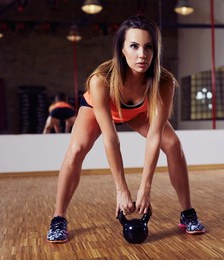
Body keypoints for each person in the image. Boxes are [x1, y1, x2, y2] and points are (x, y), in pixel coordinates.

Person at [47, 15, 205, 243]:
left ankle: (187, 213)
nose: (142, 54)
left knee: (173, 144)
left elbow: (154, 137)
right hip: (99, 109)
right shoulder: (100, 80)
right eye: (134, 46)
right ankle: (58, 218)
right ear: (122, 49)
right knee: (77, 148)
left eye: (148, 47)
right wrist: (121, 190)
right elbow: (111, 139)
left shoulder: (164, 83)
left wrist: (145, 188)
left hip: (136, 113)